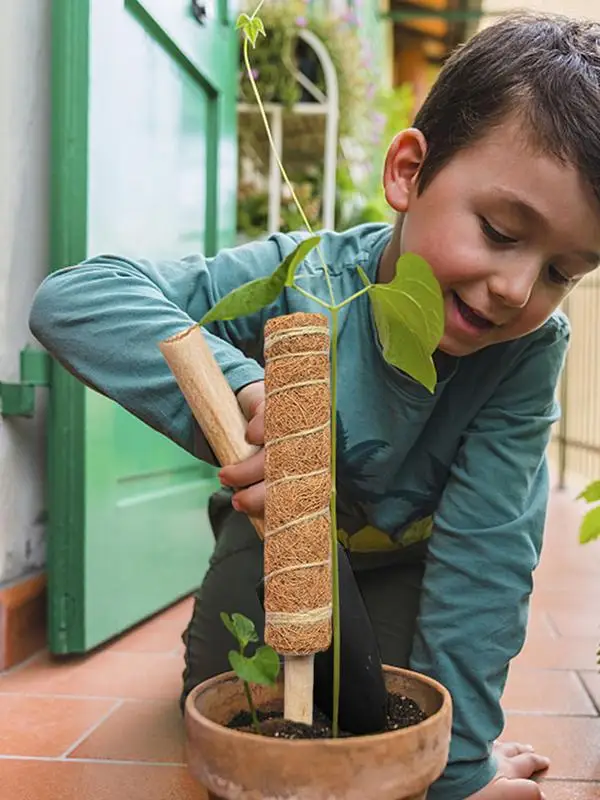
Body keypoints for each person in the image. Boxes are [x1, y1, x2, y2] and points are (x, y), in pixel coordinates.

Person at [29, 13, 600, 799]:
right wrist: (242, 386)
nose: (515, 288)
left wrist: (457, 771)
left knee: (381, 708)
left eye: (561, 272)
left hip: (409, 555)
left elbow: (487, 561)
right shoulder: (304, 277)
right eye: (501, 231)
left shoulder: (528, 352)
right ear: (408, 172)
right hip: (272, 537)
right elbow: (77, 298)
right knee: (239, 693)